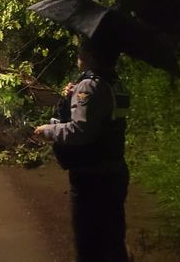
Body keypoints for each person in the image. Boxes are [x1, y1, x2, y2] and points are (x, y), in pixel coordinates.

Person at [34, 36, 131, 262]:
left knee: (88, 245)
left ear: (92, 55)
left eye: (82, 48)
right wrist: (72, 98)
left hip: (92, 177)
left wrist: (47, 130)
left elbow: (81, 131)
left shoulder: (90, 84)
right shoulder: (117, 83)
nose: (78, 52)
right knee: (112, 239)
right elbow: (103, 120)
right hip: (114, 171)